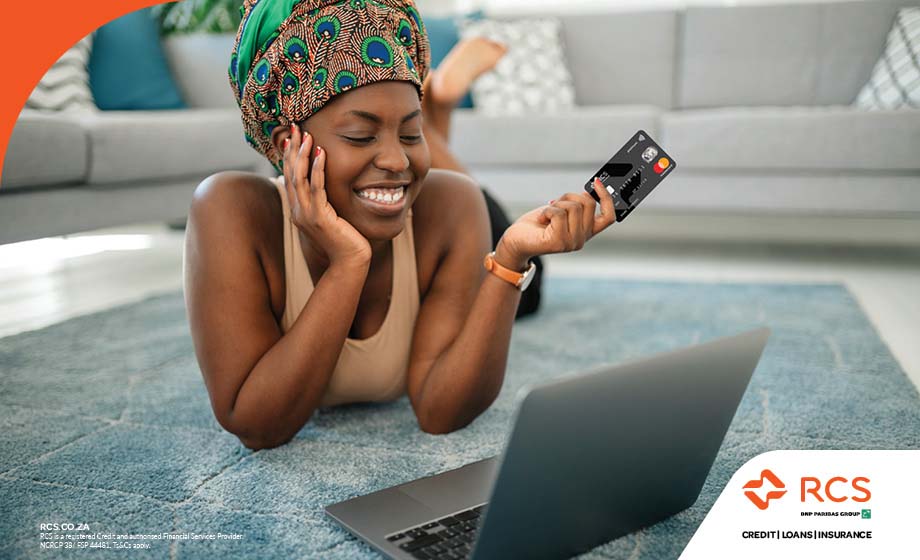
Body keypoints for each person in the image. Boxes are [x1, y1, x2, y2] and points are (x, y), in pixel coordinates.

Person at [183, 0, 615, 450]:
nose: (396, 159)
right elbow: (258, 426)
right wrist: (348, 263)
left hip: (458, 224)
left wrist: (510, 258)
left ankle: (437, 109)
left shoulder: (452, 206)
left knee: (529, 281)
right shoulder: (230, 210)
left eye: (412, 134)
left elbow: (440, 412)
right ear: (290, 145)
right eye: (360, 136)